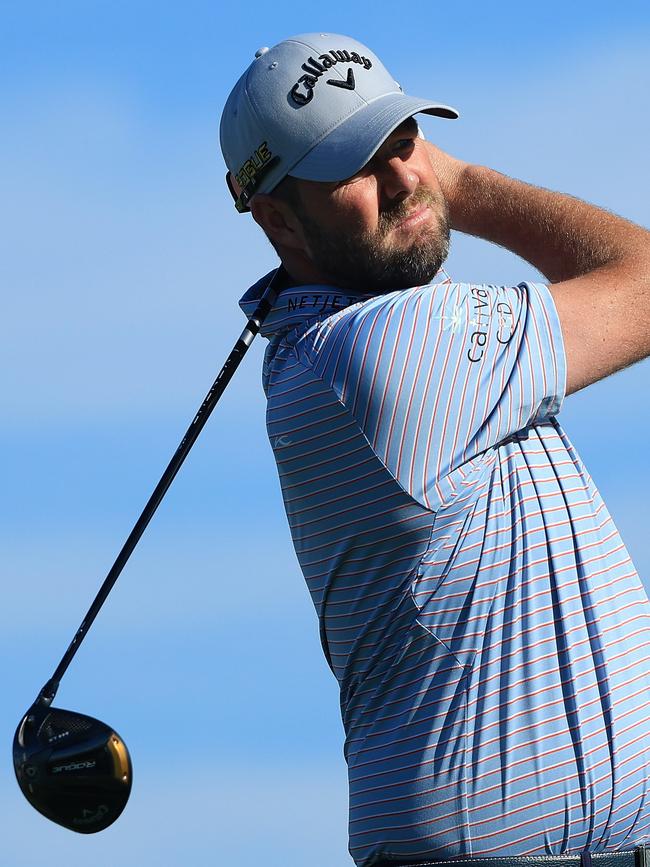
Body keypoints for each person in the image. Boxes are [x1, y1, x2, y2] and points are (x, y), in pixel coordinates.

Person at [220, 32, 650, 867]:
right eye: (354, 162)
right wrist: (457, 181)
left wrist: (412, 180)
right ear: (276, 217)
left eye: (404, 141)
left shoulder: (370, 333)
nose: (400, 178)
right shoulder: (383, 353)